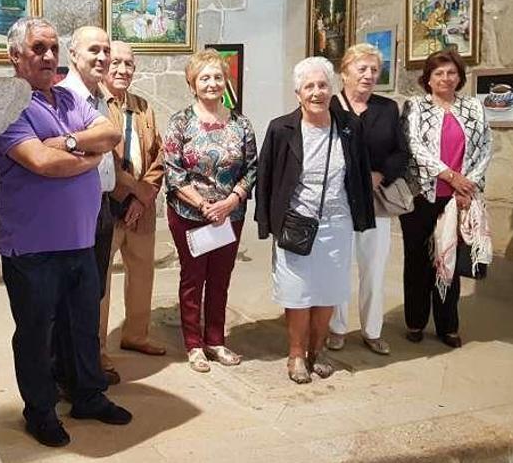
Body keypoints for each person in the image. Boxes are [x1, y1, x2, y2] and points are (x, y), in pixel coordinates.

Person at [0, 16, 130, 448]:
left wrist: (66, 143)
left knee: (84, 325)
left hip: (80, 240)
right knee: (36, 334)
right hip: (31, 249)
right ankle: (41, 411)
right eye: (38, 49)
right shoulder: (7, 105)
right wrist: (84, 153)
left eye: (53, 48)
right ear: (16, 56)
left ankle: (88, 395)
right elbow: (41, 163)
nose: (48, 56)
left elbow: (110, 132)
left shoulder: (69, 99)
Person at [255, 56, 374, 384]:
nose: (317, 92)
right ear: (298, 93)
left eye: (323, 85)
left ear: (332, 89)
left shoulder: (349, 126)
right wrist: (266, 223)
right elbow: (266, 177)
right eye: (310, 86)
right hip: (295, 221)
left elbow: (360, 173)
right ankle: (296, 354)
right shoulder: (282, 128)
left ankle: (317, 350)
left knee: (328, 291)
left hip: (336, 222)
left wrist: (363, 217)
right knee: (297, 293)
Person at [162, 49, 257, 373]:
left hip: (230, 215)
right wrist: (204, 205)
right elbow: (174, 174)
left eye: (218, 76)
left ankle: (215, 340)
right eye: (205, 77)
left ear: (225, 80)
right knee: (193, 279)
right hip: (190, 215)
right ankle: (193, 345)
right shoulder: (180, 123)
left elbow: (252, 168)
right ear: (193, 83)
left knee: (220, 278)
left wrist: (231, 201)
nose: (212, 83)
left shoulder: (241, 123)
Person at [400, 49, 492, 348]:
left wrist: (468, 187)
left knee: (449, 258)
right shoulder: (415, 107)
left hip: (457, 198)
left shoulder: (473, 108)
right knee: (418, 262)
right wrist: (450, 176)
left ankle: (447, 325)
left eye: (451, 72)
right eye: (438, 73)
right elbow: (414, 146)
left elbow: (485, 148)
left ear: (460, 77)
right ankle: (415, 321)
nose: (445, 78)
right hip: (421, 197)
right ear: (427, 78)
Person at [326, 44, 409, 355]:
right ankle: (335, 328)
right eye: (362, 69)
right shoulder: (330, 105)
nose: (369, 75)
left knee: (373, 266)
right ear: (345, 72)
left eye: (374, 70)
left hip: (375, 199)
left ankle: (372, 330)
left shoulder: (387, 108)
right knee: (338, 265)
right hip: (338, 199)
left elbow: (401, 152)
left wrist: (380, 175)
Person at [99, 41, 166, 377]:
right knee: (101, 283)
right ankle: (97, 350)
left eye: (129, 64)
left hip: (141, 207)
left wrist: (143, 197)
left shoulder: (142, 107)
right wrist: (131, 193)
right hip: (109, 206)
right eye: (116, 63)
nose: (122, 70)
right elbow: (103, 159)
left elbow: (158, 155)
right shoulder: (96, 105)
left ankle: (136, 334)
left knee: (142, 273)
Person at [58, 25, 121, 385]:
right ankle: (70, 375)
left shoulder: (100, 96)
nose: (102, 57)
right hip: (75, 207)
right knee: (73, 297)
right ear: (74, 56)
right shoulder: (66, 97)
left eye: (106, 50)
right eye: (93, 50)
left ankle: (85, 368)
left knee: (92, 293)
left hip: (102, 205)